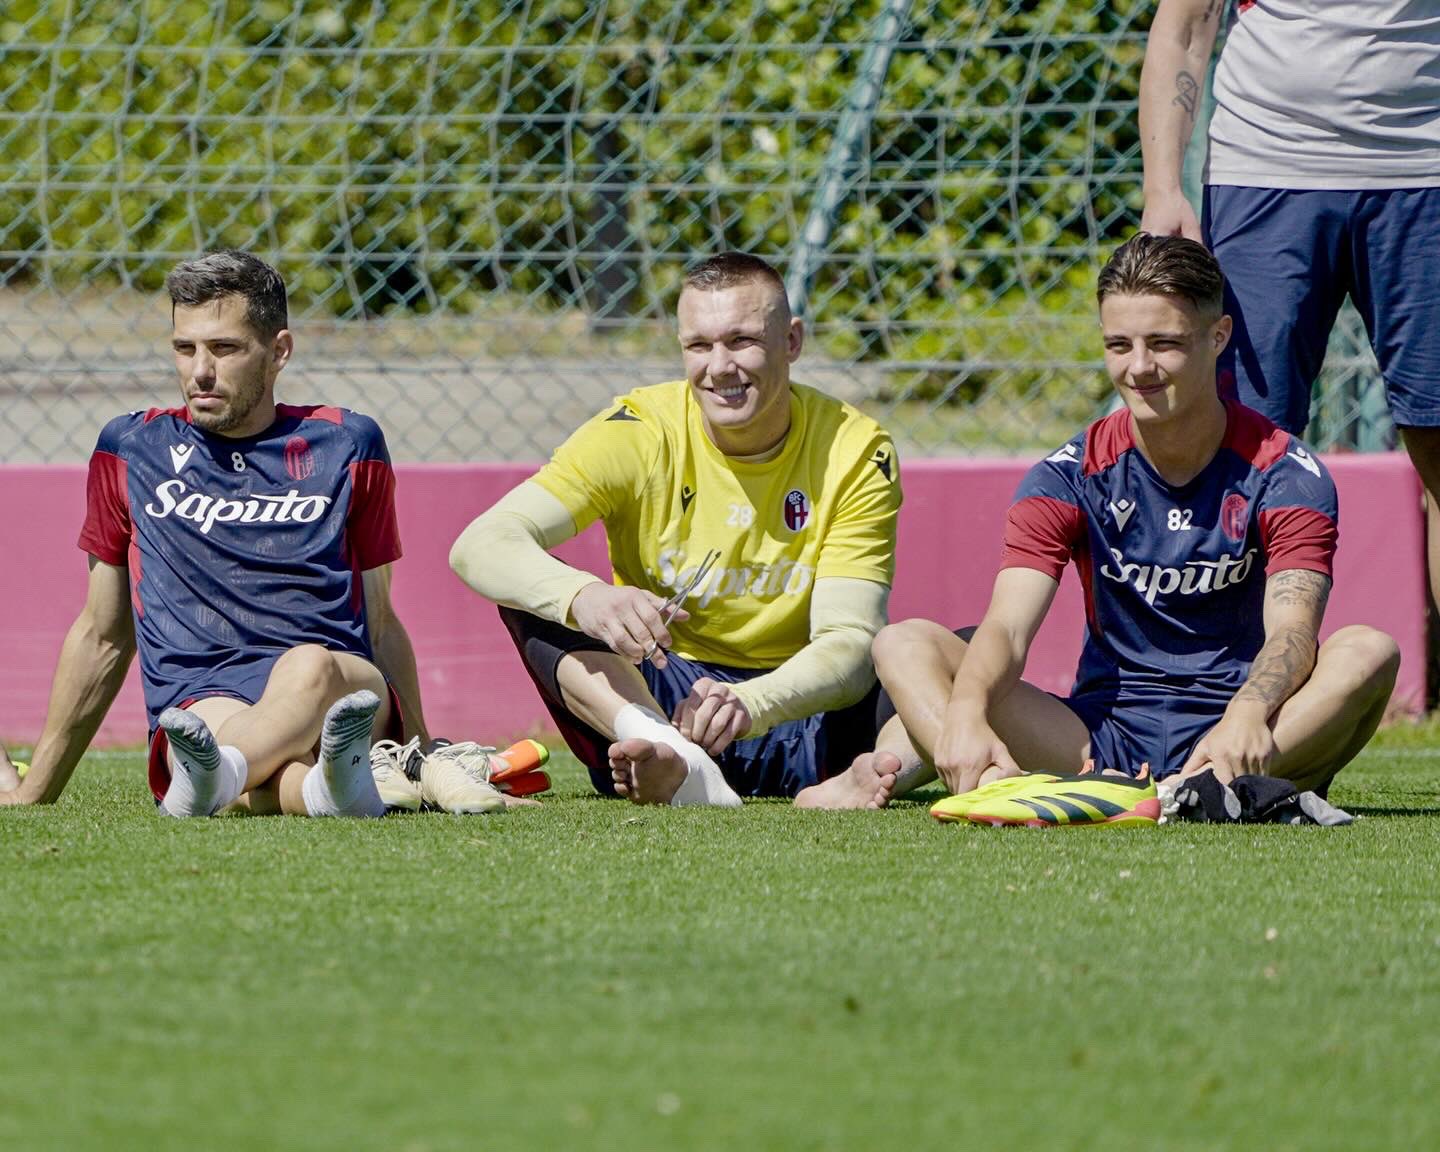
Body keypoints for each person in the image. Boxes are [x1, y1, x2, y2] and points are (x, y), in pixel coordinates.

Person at [872, 234, 1399, 800]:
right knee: (903, 644)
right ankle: (1007, 787)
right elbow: (1007, 627)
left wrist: (1249, 708)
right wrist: (967, 713)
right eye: (1118, 345)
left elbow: (1294, 631)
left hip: (1244, 728)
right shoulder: (1066, 475)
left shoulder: (1288, 472)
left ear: (1218, 336)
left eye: (1164, 343)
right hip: (1097, 742)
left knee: (1370, 652)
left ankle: (1209, 785)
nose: (1139, 367)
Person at [0, 250, 508, 816]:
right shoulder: (130, 450)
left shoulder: (349, 444)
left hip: (338, 689)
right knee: (233, 750)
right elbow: (102, 633)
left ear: (278, 351)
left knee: (307, 669)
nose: (199, 372)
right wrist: (31, 792)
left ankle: (215, 780)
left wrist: (420, 745)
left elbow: (380, 617)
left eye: (225, 349)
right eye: (184, 348)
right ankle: (325, 792)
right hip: (202, 699)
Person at [450, 252, 903, 808]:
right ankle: (670, 757)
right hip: (664, 701)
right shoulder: (640, 429)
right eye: (699, 346)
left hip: (804, 713)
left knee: (935, 655)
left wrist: (749, 703)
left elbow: (849, 648)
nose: (719, 367)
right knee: (536, 600)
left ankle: (858, 781)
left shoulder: (856, 448)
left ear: (792, 341)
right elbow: (480, 544)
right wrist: (584, 598)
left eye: (741, 341)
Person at [1139, 0, 1440, 654]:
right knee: (1238, 457)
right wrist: (1162, 187)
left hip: (1426, 177)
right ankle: (1217, 715)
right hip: (1265, 171)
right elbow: (1186, 24)